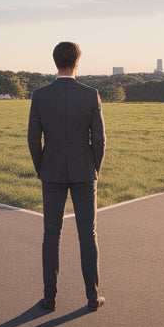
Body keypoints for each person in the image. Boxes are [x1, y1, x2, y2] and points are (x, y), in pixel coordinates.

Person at [28, 41, 107, 312]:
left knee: (51, 234)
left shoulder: (40, 95)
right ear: (77, 62)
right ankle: (92, 297)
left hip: (51, 172)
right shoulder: (90, 94)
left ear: (55, 62)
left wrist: (42, 168)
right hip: (84, 171)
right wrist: (94, 168)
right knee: (88, 234)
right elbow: (100, 140)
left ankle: (49, 298)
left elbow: (33, 139)